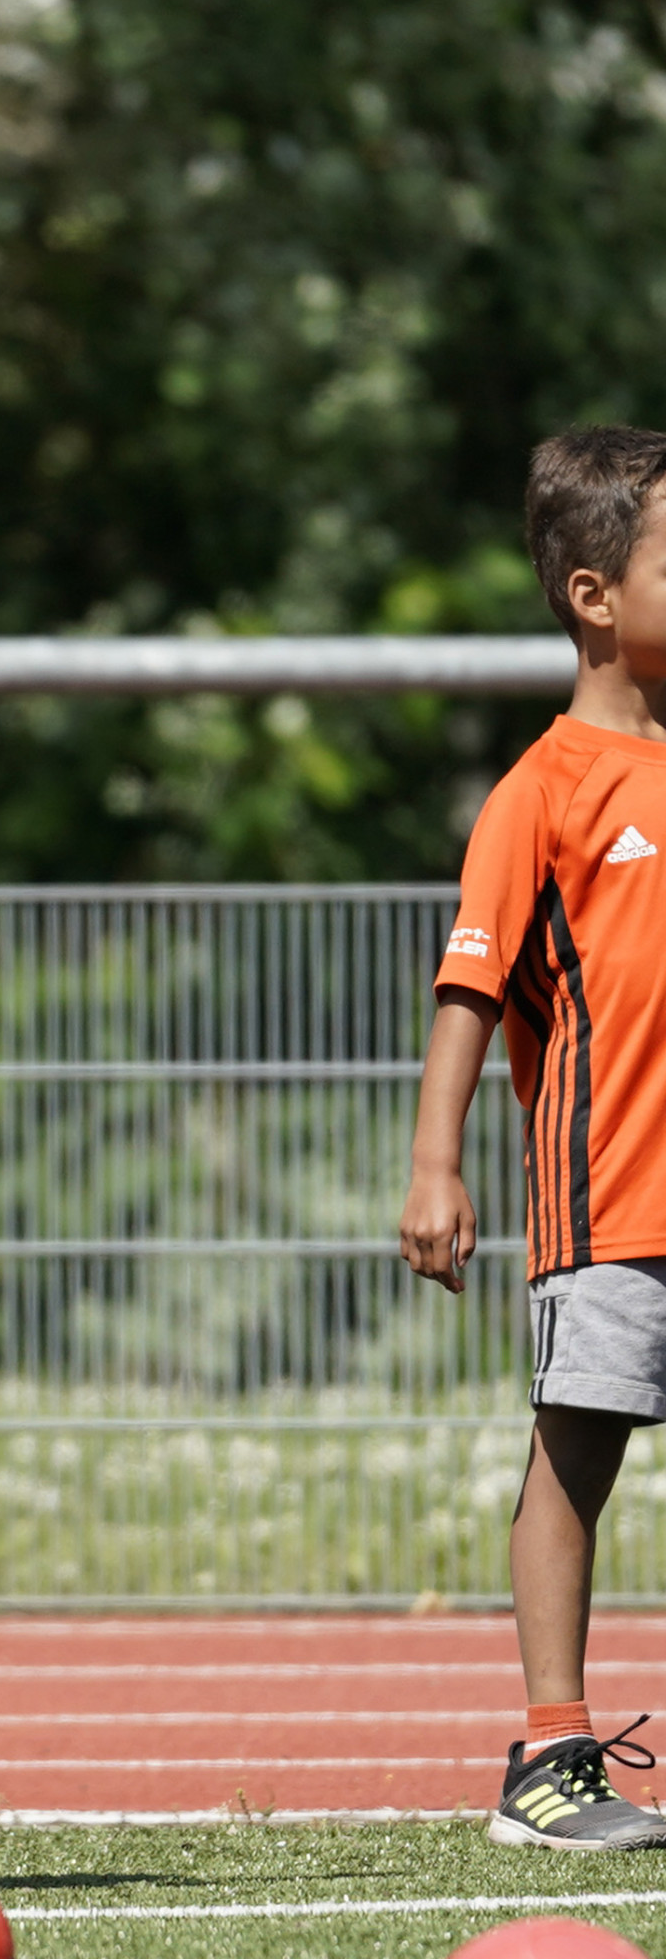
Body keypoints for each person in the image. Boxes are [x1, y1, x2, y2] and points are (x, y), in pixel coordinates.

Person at [401, 425, 666, 1851]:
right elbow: (471, 983)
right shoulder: (542, 792)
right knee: (580, 1451)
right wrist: (436, 1163)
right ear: (593, 595)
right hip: (611, 1198)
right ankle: (550, 1759)